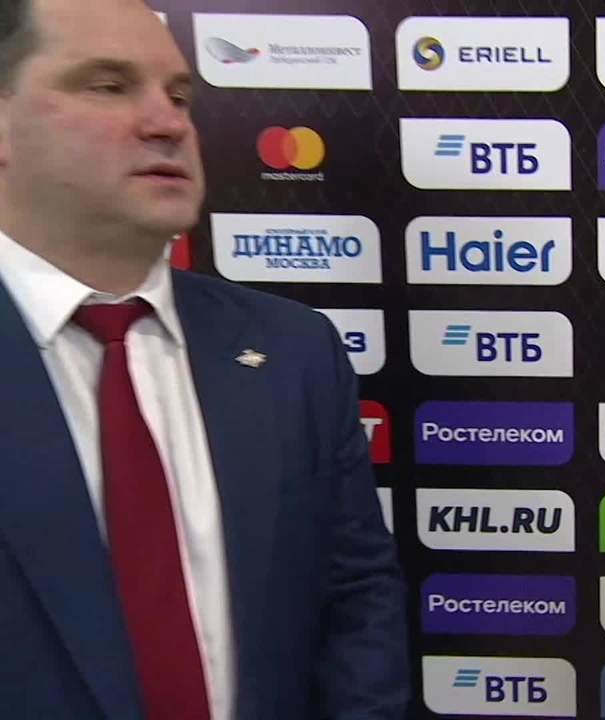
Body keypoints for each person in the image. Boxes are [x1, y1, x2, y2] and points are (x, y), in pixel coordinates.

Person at [0, 1, 409, 718]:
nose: (168, 123)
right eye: (109, 86)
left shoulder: (294, 351)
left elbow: (355, 602)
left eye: (179, 95)